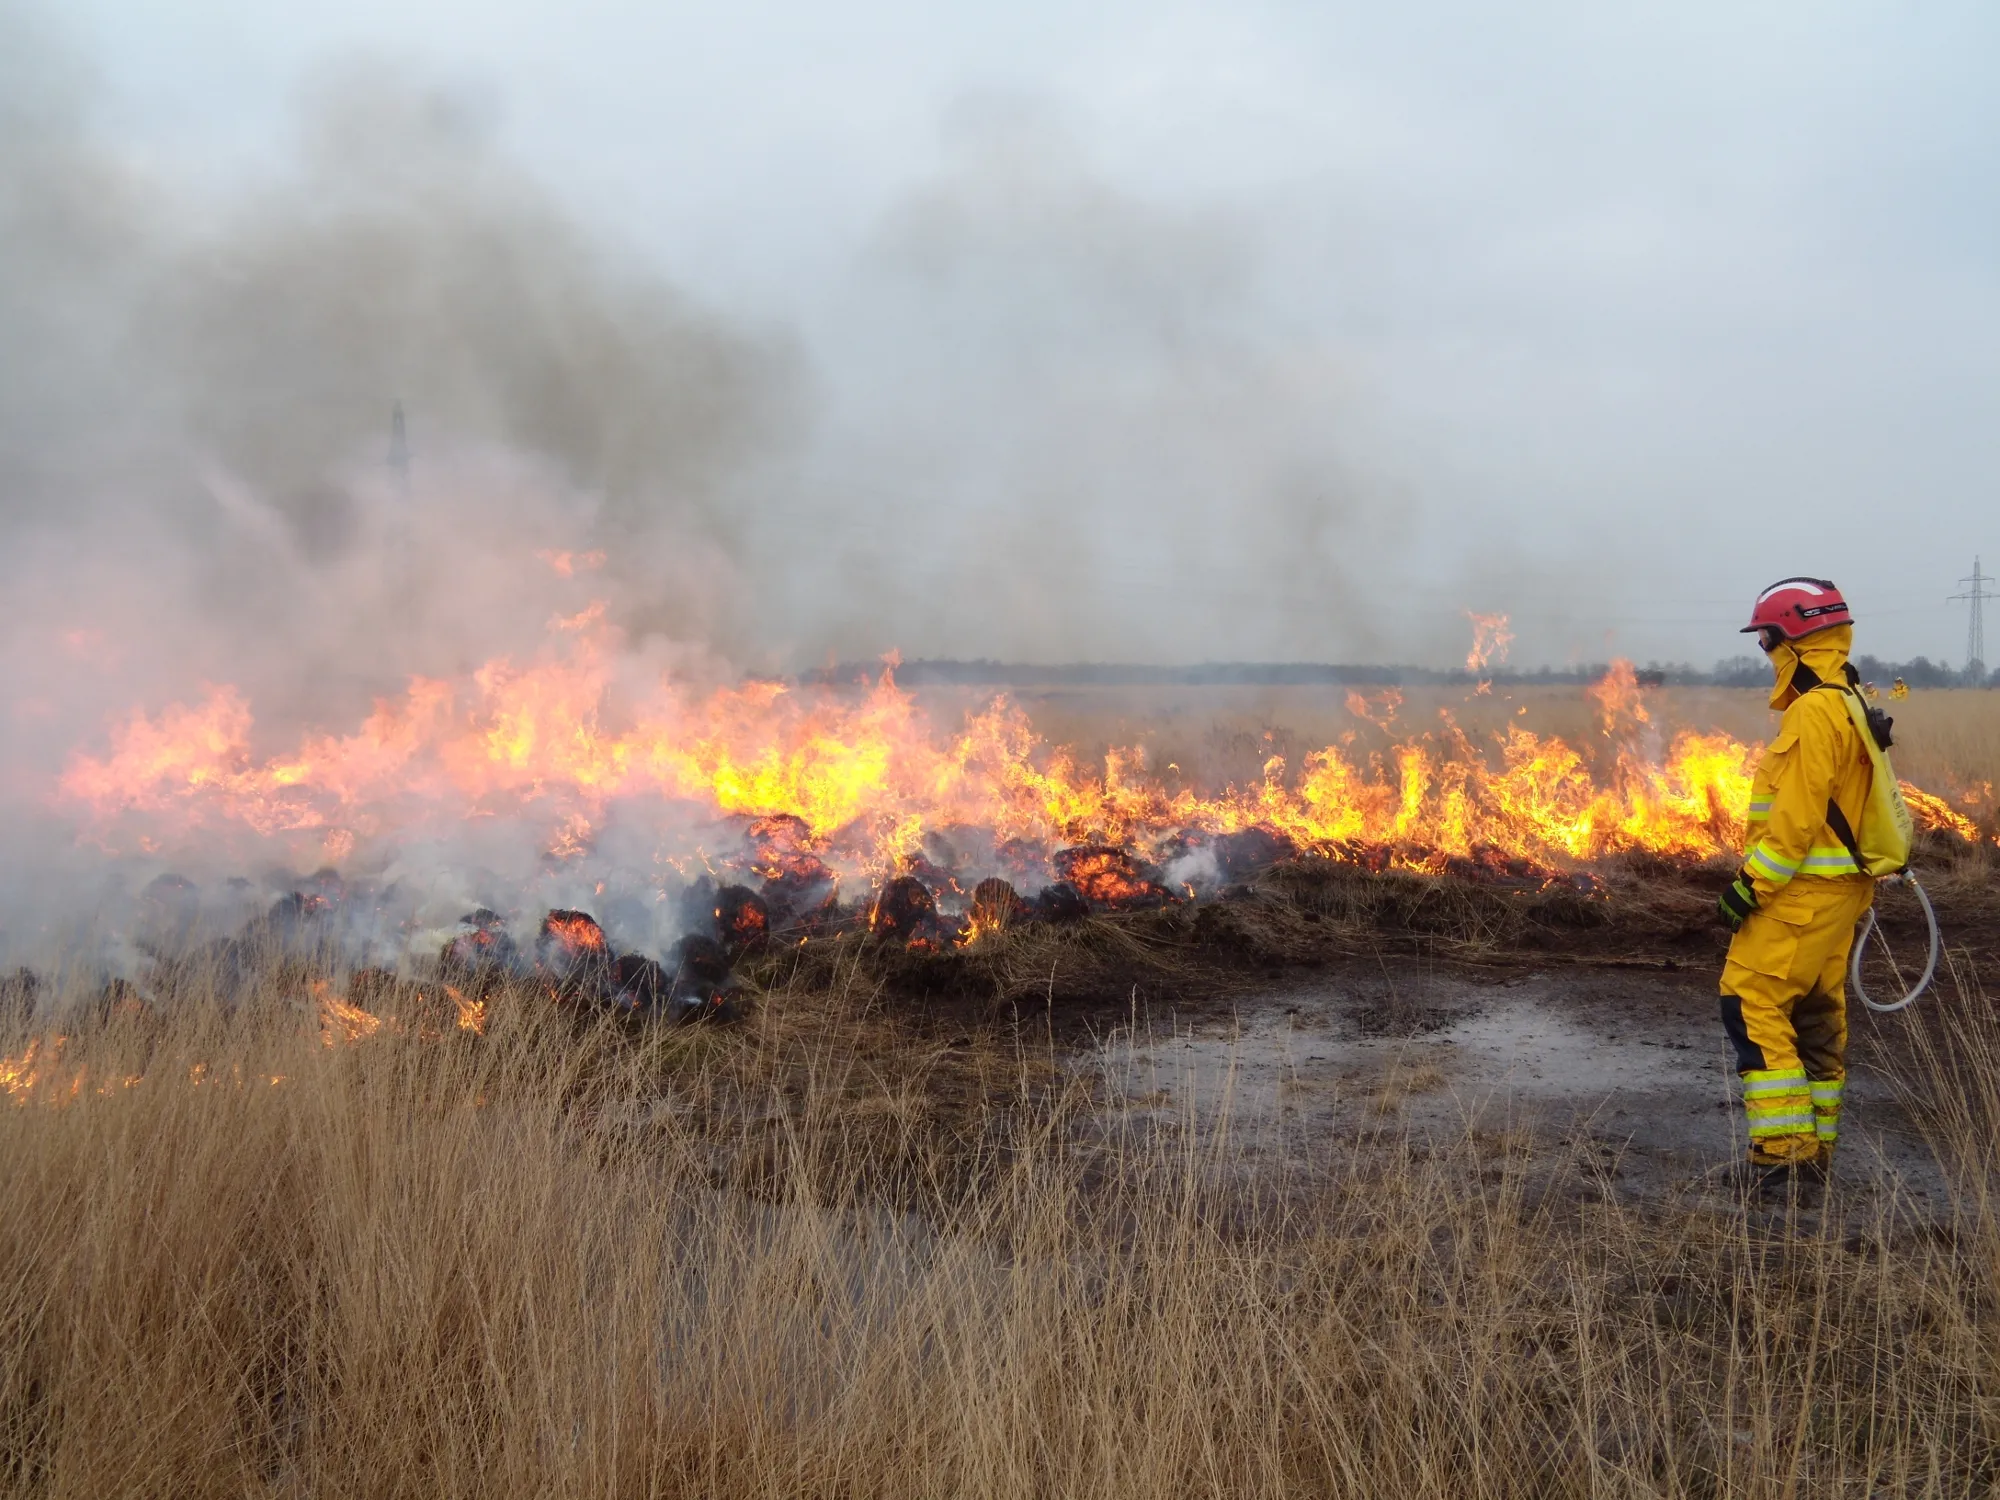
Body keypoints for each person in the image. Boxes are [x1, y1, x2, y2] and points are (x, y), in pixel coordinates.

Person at [1715, 578, 1876, 1187]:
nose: (1765, 651)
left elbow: (1796, 820)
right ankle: (1817, 1152)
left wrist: (1749, 887)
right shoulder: (1848, 698)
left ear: (1792, 637)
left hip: (1801, 894)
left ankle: (1784, 1157)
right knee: (1814, 1012)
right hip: (1839, 893)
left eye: (1766, 639)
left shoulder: (1814, 712)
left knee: (1750, 1003)